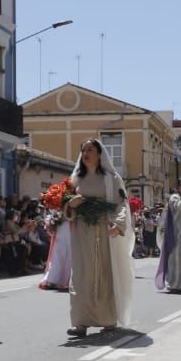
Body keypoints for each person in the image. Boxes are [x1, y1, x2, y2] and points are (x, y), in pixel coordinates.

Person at [64, 138, 133, 337]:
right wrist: (71, 205)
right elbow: (64, 204)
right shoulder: (75, 179)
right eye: (83, 149)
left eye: (90, 149)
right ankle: (80, 322)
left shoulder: (111, 179)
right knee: (81, 274)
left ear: (99, 153)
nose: (85, 153)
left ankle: (107, 318)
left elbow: (121, 204)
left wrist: (118, 225)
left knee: (103, 272)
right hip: (81, 233)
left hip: (103, 232)